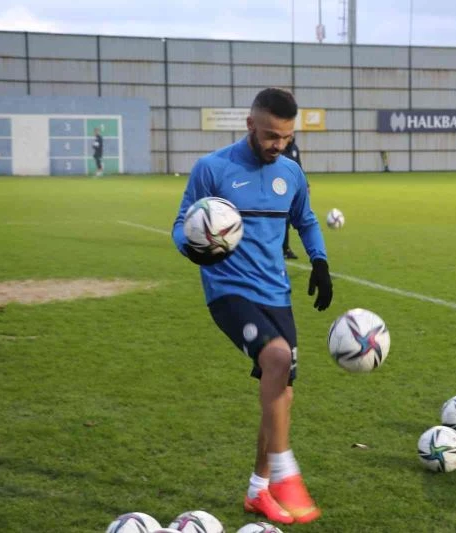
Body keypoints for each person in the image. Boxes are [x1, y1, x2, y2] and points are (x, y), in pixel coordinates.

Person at [171, 88, 333, 525]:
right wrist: (192, 246)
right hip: (228, 292)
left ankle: (258, 490)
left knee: (282, 394)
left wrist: (319, 261)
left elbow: (306, 220)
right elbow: (179, 224)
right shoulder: (213, 168)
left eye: (284, 137)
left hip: (275, 293)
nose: (276, 144)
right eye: (268, 135)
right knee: (276, 358)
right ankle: (285, 474)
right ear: (249, 125)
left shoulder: (291, 174)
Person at [281, 137, 302, 259]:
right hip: (279, 188)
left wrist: (306, 184)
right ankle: (280, 249)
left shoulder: (295, 148)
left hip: (292, 189)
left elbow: (299, 167)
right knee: (282, 219)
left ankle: (285, 249)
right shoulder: (279, 147)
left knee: (287, 220)